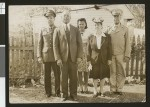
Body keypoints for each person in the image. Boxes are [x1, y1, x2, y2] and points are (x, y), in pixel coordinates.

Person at [53, 10, 83, 101]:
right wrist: (58, 58)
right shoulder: (57, 30)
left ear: (70, 17)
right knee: (63, 78)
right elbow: (55, 45)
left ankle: (74, 94)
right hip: (63, 59)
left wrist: (79, 56)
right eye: (64, 16)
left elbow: (80, 44)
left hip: (73, 58)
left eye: (67, 16)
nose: (66, 17)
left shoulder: (75, 29)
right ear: (62, 18)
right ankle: (64, 94)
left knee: (74, 77)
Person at [37, 10, 60, 98]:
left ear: (54, 19)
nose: (50, 19)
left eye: (51, 18)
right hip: (45, 56)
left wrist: (59, 57)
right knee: (47, 75)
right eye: (48, 18)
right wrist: (39, 56)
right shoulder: (43, 29)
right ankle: (48, 92)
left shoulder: (58, 29)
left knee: (57, 75)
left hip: (55, 56)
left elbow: (60, 44)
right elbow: (39, 43)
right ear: (47, 19)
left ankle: (58, 91)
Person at [107, 9, 131, 95]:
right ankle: (113, 88)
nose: (116, 18)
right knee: (112, 71)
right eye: (114, 16)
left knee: (121, 71)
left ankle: (120, 89)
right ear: (113, 17)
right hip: (111, 54)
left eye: (118, 16)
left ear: (120, 17)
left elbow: (128, 43)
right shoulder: (109, 28)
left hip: (121, 54)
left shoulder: (125, 29)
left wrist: (127, 55)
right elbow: (106, 42)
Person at [87, 17, 112, 98]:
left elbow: (109, 49)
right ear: (94, 27)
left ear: (102, 26)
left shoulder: (107, 36)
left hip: (104, 59)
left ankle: (101, 91)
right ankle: (95, 91)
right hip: (94, 60)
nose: (97, 26)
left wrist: (109, 59)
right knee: (95, 75)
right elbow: (88, 50)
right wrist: (89, 62)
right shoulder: (91, 37)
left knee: (103, 75)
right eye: (95, 25)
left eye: (98, 25)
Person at [77, 18, 90, 94]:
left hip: (86, 53)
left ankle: (85, 86)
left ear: (85, 24)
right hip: (78, 53)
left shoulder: (88, 33)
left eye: (82, 24)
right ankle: (80, 86)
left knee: (86, 70)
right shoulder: (76, 32)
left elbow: (89, 44)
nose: (81, 25)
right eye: (80, 24)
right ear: (78, 25)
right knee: (79, 70)